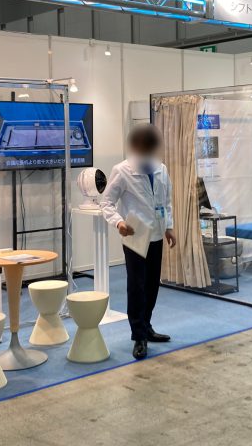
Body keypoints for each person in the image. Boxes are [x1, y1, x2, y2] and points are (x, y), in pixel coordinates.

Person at [99, 124, 176, 360]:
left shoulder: (161, 168)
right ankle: (138, 336)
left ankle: (146, 326)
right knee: (137, 286)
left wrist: (169, 227)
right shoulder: (122, 170)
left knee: (152, 285)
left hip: (156, 234)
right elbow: (106, 202)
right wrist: (119, 223)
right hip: (135, 236)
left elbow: (166, 201)